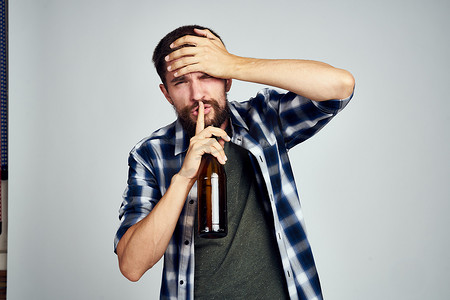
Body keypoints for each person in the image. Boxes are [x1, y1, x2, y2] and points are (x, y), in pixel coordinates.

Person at [114, 25, 355, 300]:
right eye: (181, 82)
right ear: (166, 93)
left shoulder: (264, 120)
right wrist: (182, 179)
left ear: (227, 80)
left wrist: (233, 64)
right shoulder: (151, 154)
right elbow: (132, 266)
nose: (197, 95)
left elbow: (341, 87)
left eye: (207, 76)